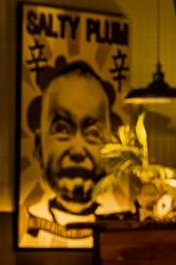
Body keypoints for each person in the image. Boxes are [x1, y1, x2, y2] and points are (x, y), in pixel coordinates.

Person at [25, 56, 118, 241]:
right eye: (62, 129)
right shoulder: (36, 216)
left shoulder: (114, 220)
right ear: (38, 147)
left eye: (92, 133)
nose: (77, 151)